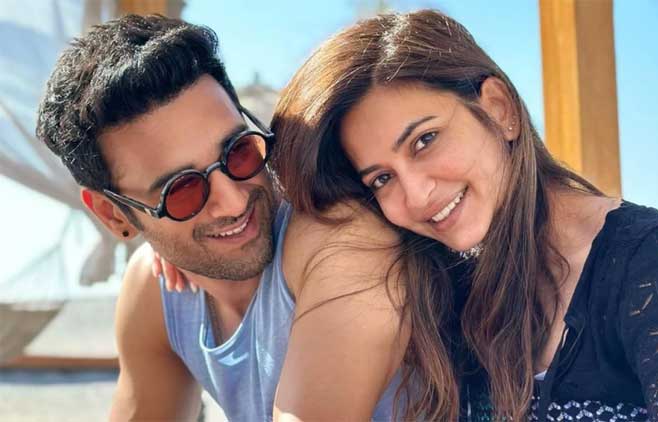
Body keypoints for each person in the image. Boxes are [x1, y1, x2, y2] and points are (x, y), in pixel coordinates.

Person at [270, 9, 658, 421]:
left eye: (425, 140)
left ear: (500, 110)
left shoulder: (650, 261)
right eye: (381, 179)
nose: (415, 195)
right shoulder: (441, 287)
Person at [35, 15, 411, 422]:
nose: (231, 202)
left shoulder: (339, 241)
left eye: (238, 152)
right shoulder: (157, 290)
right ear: (114, 215)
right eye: (181, 190)